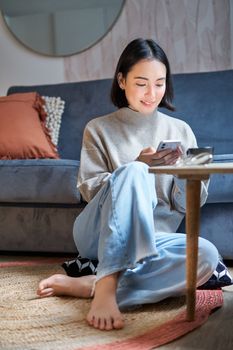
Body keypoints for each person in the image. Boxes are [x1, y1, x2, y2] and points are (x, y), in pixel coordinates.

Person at [37, 38, 219, 331]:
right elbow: (91, 190)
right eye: (142, 83)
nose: (152, 93)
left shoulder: (182, 131)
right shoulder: (98, 128)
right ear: (121, 80)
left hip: (152, 238)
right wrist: (137, 168)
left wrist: (187, 175)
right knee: (134, 171)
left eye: (160, 83)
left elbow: (188, 206)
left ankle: (91, 285)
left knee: (206, 254)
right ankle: (107, 286)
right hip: (97, 233)